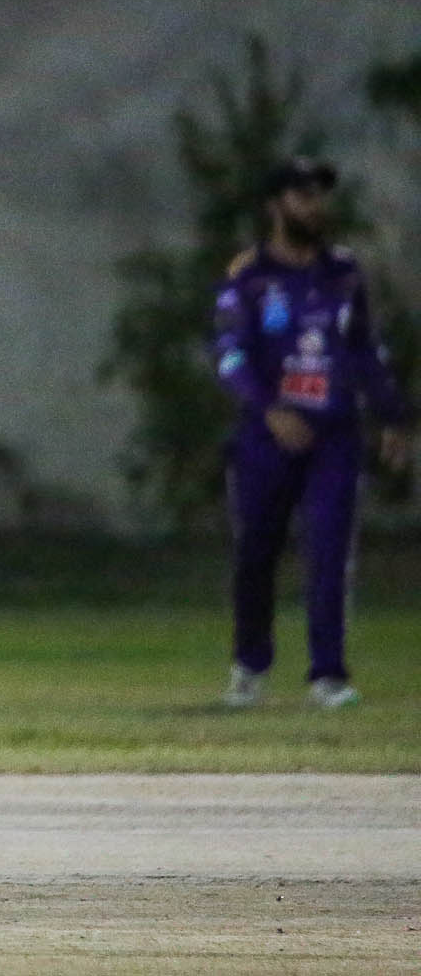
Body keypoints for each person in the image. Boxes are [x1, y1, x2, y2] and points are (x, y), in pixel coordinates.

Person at [213, 157, 413, 710]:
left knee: (329, 552)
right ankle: (249, 667)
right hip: (266, 439)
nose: (314, 207)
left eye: (319, 196)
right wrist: (269, 409)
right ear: (275, 205)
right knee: (257, 554)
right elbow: (229, 356)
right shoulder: (248, 276)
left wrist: (393, 415)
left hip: (334, 436)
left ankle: (328, 675)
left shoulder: (343, 273)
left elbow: (365, 351)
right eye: (302, 196)